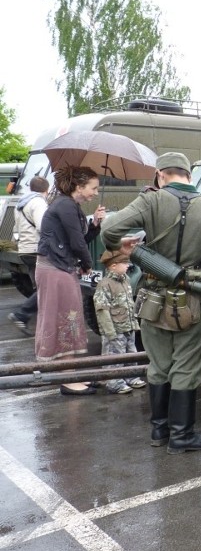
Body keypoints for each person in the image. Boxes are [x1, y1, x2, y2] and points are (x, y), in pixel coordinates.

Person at [101, 152, 201, 454]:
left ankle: (159, 431)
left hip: (153, 297)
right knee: (187, 362)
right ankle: (182, 435)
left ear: (160, 175)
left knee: (158, 363)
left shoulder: (150, 201)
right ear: (189, 175)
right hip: (193, 298)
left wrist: (122, 246)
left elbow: (109, 230)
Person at [34, 166, 106, 395]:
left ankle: (69, 374)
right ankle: (67, 379)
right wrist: (87, 264)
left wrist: (94, 224)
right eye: (93, 188)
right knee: (66, 321)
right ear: (79, 186)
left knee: (67, 320)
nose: (95, 193)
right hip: (55, 270)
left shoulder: (67, 205)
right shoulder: (65, 205)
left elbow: (79, 240)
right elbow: (77, 243)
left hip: (58, 268)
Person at [93, 249, 147, 395]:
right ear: (113, 265)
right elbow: (102, 310)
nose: (128, 266)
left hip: (127, 326)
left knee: (131, 353)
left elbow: (130, 303)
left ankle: (131, 377)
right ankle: (115, 382)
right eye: (124, 263)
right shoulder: (105, 284)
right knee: (114, 357)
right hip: (115, 329)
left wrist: (134, 323)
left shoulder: (126, 280)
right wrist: (109, 332)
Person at [8, 176, 50, 336]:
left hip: (25, 249)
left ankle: (29, 317)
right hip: (36, 249)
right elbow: (43, 226)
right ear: (46, 190)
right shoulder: (38, 202)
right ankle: (21, 315)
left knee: (40, 287)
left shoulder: (21, 203)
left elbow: (16, 228)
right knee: (46, 287)